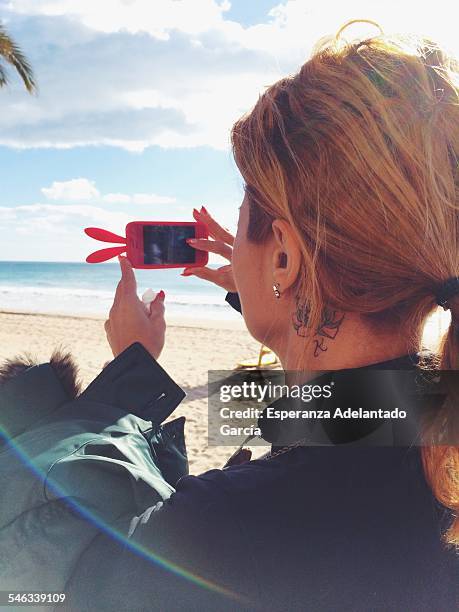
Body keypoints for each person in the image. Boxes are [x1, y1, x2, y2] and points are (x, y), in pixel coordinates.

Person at [0, 19, 458, 611]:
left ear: (287, 253)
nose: (231, 248)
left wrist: (129, 382)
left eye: (242, 221)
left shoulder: (212, 533)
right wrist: (269, 290)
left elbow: (38, 569)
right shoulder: (425, 449)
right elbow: (345, 422)